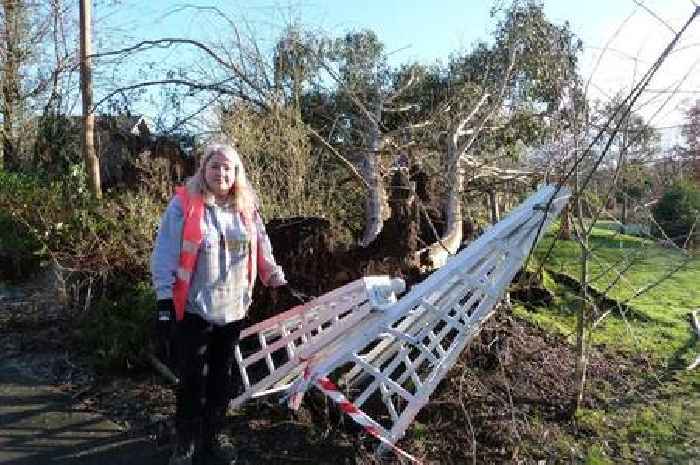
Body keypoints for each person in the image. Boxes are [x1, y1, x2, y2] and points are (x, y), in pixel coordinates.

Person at [151, 142, 287, 465]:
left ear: (236, 173)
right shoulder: (184, 204)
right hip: (196, 309)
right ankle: (185, 439)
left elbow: (262, 245)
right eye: (215, 166)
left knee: (221, 378)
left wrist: (275, 276)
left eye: (228, 168)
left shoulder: (246, 207)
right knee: (191, 378)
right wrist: (164, 300)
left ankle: (213, 435)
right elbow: (165, 253)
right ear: (204, 169)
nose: (221, 173)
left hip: (234, 309)